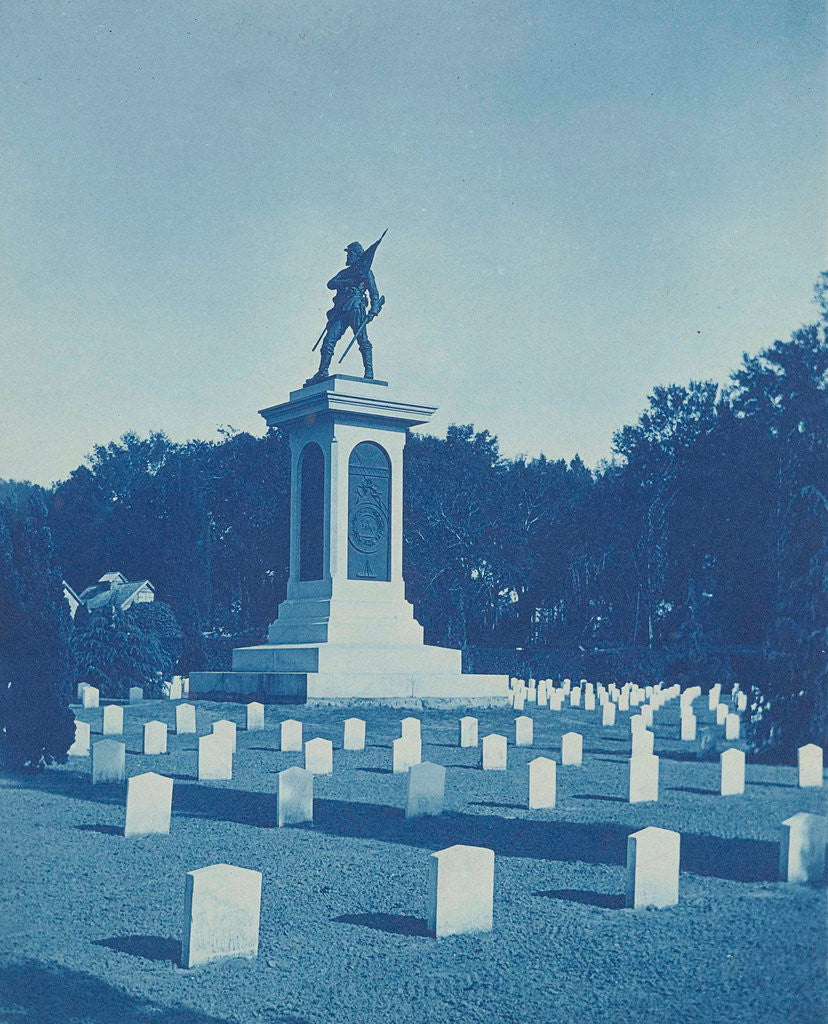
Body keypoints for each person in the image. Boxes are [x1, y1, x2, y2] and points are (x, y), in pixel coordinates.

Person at [305, 242, 383, 385]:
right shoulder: (345, 273)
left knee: (362, 339)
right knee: (329, 340)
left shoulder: (365, 272)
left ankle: (369, 371)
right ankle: (322, 371)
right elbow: (330, 283)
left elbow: (374, 293)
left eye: (350, 254)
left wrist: (374, 310)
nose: (347, 256)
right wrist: (346, 281)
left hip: (356, 308)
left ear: (357, 255)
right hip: (340, 310)